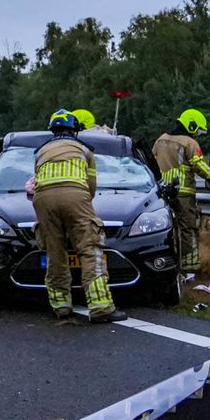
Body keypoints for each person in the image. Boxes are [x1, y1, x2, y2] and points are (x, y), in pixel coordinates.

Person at [29, 109, 126, 325]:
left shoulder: (40, 151)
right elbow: (91, 187)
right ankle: (100, 306)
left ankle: (61, 305)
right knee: (90, 249)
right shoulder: (84, 149)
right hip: (75, 196)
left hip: (43, 199)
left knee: (54, 251)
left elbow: (36, 180)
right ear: (74, 130)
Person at [152, 109, 210, 276]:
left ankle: (168, 264)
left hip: (162, 193)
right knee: (188, 229)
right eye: (197, 131)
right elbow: (200, 167)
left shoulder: (160, 140)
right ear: (191, 126)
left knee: (166, 229)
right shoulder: (189, 143)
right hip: (183, 194)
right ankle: (190, 268)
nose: (197, 135)